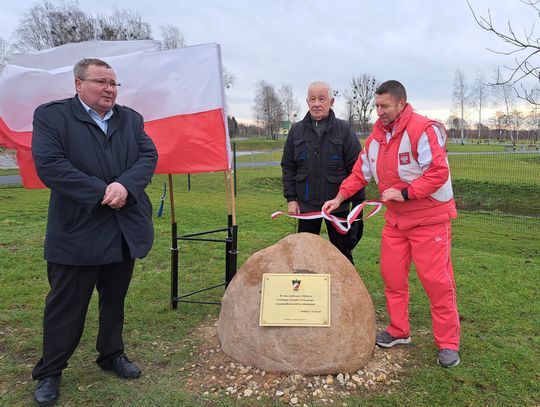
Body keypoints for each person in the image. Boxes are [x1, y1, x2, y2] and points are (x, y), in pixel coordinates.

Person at [31, 58, 158, 405]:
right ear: (78, 84)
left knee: (114, 300)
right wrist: (101, 191)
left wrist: (124, 186)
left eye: (114, 83)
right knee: (65, 307)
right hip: (77, 231)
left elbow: (147, 156)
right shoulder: (52, 117)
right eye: (102, 82)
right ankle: (50, 371)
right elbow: (51, 165)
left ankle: (111, 354)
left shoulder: (130, 119)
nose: (109, 89)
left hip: (122, 229)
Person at [322, 80, 460, 368]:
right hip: (396, 223)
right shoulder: (375, 140)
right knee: (392, 277)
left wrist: (405, 193)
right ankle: (399, 330)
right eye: (377, 106)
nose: (379, 111)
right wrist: (339, 198)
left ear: (401, 103)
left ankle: (447, 343)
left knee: (437, 282)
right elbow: (360, 174)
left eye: (384, 106)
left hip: (429, 220)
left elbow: (437, 172)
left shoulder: (423, 130)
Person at [281, 81, 365, 263]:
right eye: (312, 99)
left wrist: (355, 204)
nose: (316, 103)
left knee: (342, 255)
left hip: (337, 205)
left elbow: (358, 170)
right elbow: (288, 167)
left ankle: (346, 290)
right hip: (307, 206)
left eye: (322, 99)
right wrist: (291, 199)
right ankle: (306, 290)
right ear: (307, 102)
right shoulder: (296, 131)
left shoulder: (344, 130)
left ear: (331, 101)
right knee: (304, 255)